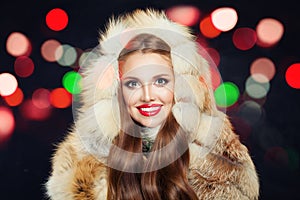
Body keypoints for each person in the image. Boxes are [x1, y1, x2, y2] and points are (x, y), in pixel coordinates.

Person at [46, 9, 259, 200]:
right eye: (133, 83)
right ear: (118, 92)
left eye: (160, 81)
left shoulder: (215, 151)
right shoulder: (85, 161)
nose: (147, 95)